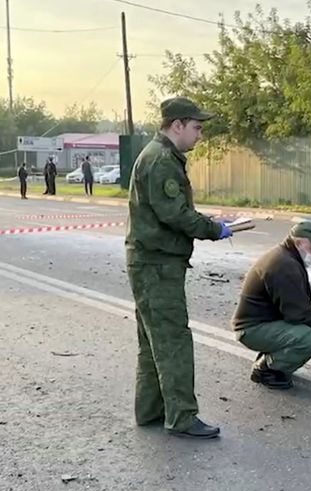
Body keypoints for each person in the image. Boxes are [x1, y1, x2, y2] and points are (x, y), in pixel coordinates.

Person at [125, 96, 232, 439]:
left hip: (149, 262)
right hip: (158, 265)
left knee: (152, 340)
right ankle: (182, 417)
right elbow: (175, 215)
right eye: (197, 128)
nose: (199, 135)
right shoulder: (162, 161)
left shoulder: (157, 155)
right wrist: (214, 229)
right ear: (177, 126)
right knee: (173, 341)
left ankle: (151, 411)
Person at [232, 221, 311, 390]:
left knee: (309, 329)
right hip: (251, 329)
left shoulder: (287, 256)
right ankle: (267, 370)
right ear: (299, 242)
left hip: (261, 323)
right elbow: (299, 314)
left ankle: (273, 357)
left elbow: (298, 305)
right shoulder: (285, 264)